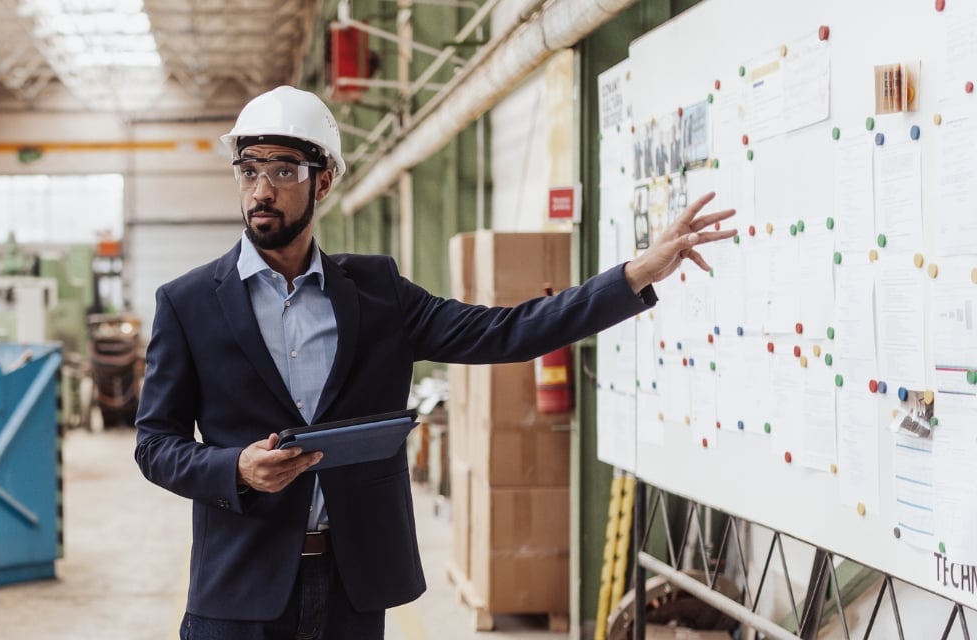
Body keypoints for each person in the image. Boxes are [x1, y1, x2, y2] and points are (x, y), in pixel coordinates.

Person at [133, 86, 736, 639]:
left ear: (322, 184)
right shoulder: (188, 304)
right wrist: (235, 467)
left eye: (283, 171)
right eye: (250, 170)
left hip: (352, 586)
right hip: (238, 590)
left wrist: (634, 275)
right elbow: (155, 444)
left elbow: (507, 332)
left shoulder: (377, 293)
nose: (261, 190)